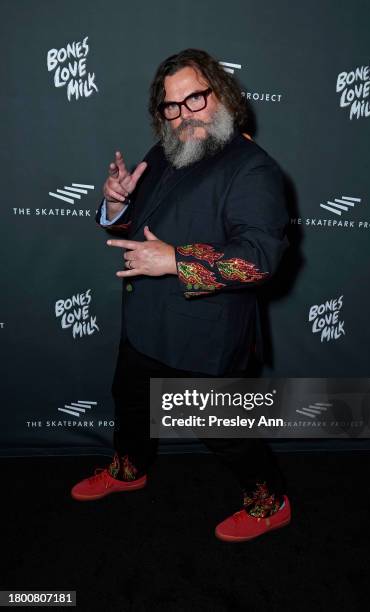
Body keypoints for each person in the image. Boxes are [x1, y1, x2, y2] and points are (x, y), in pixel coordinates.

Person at [71, 48, 291, 542]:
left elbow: (259, 258)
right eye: (171, 106)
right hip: (146, 323)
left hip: (206, 336)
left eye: (195, 98)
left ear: (221, 93)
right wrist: (115, 202)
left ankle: (269, 502)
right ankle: (129, 470)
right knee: (130, 409)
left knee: (225, 435)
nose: (184, 115)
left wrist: (174, 261)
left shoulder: (252, 169)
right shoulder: (165, 151)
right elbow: (139, 229)